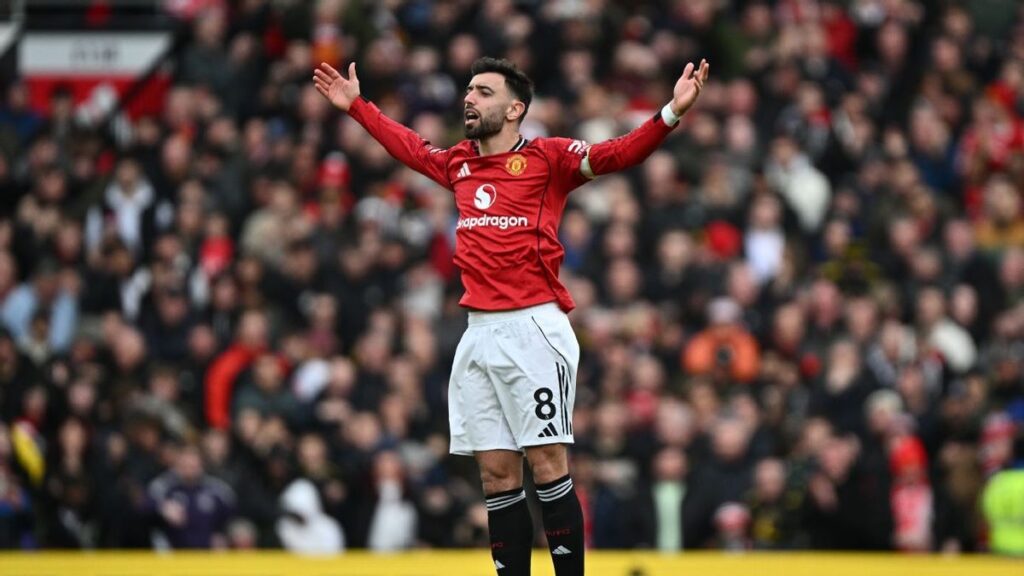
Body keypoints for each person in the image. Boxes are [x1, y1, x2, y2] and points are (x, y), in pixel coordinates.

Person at [314, 55, 709, 575]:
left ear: (515, 108)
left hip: (534, 329)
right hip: (478, 333)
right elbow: (410, 147)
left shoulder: (549, 158)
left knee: (547, 464)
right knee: (497, 476)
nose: (468, 99)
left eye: (483, 92)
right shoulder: (459, 162)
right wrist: (357, 106)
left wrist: (671, 112)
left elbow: (618, 153)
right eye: (468, 90)